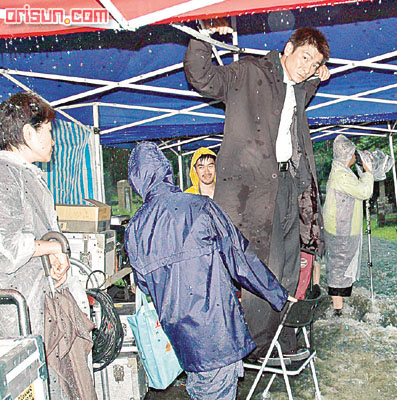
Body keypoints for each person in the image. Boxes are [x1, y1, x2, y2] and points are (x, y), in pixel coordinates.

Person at [184, 20, 330, 359]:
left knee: (290, 267)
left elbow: (300, 92)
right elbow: (203, 78)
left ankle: (285, 341)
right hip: (252, 193)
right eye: (304, 58)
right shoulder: (250, 72)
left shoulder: (299, 86)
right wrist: (203, 36)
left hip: (288, 186)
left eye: (314, 63)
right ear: (288, 49)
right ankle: (260, 348)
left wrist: (317, 77)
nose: (307, 67)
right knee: (264, 271)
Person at [124, 142, 296, 400]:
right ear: (166, 170)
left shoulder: (135, 229)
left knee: (200, 388)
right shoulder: (201, 206)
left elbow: (145, 284)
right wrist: (277, 294)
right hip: (217, 334)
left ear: (137, 181)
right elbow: (240, 259)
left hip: (181, 337)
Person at [0, 92, 98, 399]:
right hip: (20, 319)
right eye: (48, 131)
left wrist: (56, 251)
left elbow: (42, 230)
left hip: (42, 312)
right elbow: (6, 249)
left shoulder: (28, 174)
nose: (53, 140)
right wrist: (52, 249)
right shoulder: (5, 174)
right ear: (28, 134)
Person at [323, 134, 373, 316]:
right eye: (353, 154)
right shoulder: (341, 175)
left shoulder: (340, 170)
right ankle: (338, 311)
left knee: (340, 266)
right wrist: (368, 172)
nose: (355, 157)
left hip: (340, 226)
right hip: (341, 229)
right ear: (347, 155)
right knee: (339, 267)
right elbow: (364, 192)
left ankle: (339, 305)